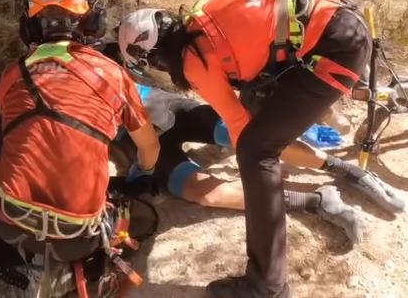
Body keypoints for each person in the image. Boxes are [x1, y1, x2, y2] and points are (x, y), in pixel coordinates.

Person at [117, 0, 383, 298]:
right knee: (225, 169)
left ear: (155, 55)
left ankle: (267, 285)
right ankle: (317, 197)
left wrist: (141, 172)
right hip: (335, 23)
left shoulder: (192, 63)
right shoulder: (199, 17)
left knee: (254, 149)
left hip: (331, 47)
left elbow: (232, 130)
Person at [0, 0, 160, 266]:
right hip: (76, 237)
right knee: (147, 218)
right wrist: (142, 175)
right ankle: (98, 266)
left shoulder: (11, 75)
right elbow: (149, 147)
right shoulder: (111, 73)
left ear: (30, 26)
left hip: (8, 223)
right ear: (92, 21)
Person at [112, 81, 366, 244]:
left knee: (253, 136)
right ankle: (317, 200)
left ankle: (346, 169)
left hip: (167, 114)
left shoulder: (103, 73)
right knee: (204, 194)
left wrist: (142, 171)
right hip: (141, 139)